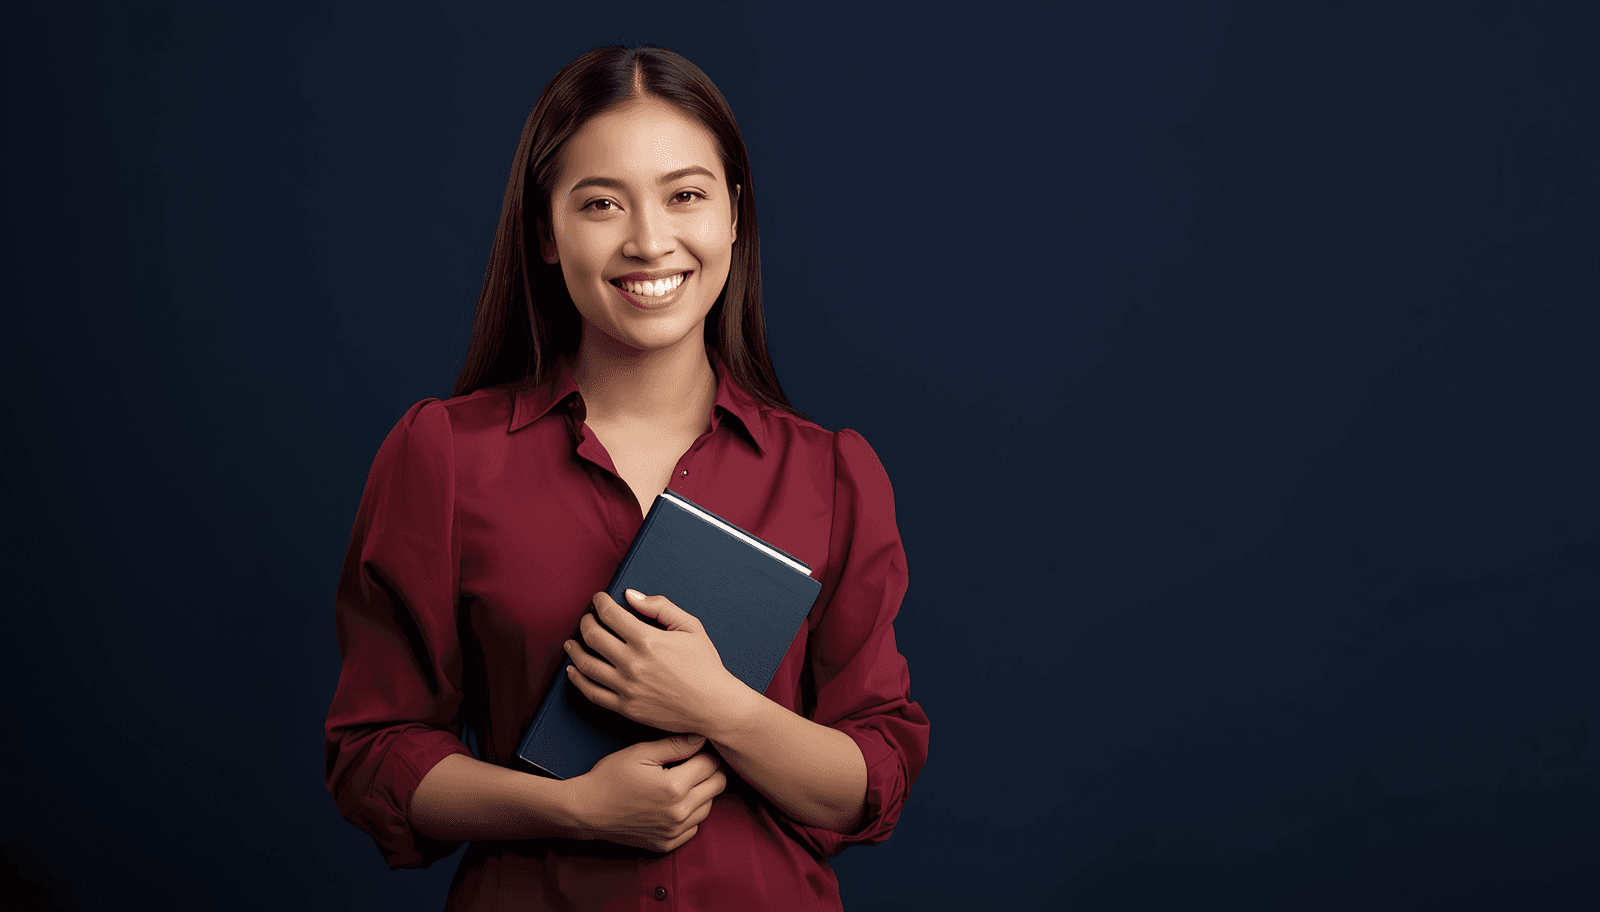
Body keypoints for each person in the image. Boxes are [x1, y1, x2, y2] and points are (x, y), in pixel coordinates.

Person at [324, 45, 929, 911]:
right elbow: (372, 752)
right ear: (543, 230)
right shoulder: (445, 457)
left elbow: (875, 779)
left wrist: (722, 707)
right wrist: (571, 809)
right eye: (601, 204)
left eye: (686, 195)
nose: (649, 241)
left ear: (733, 218)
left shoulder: (832, 475)